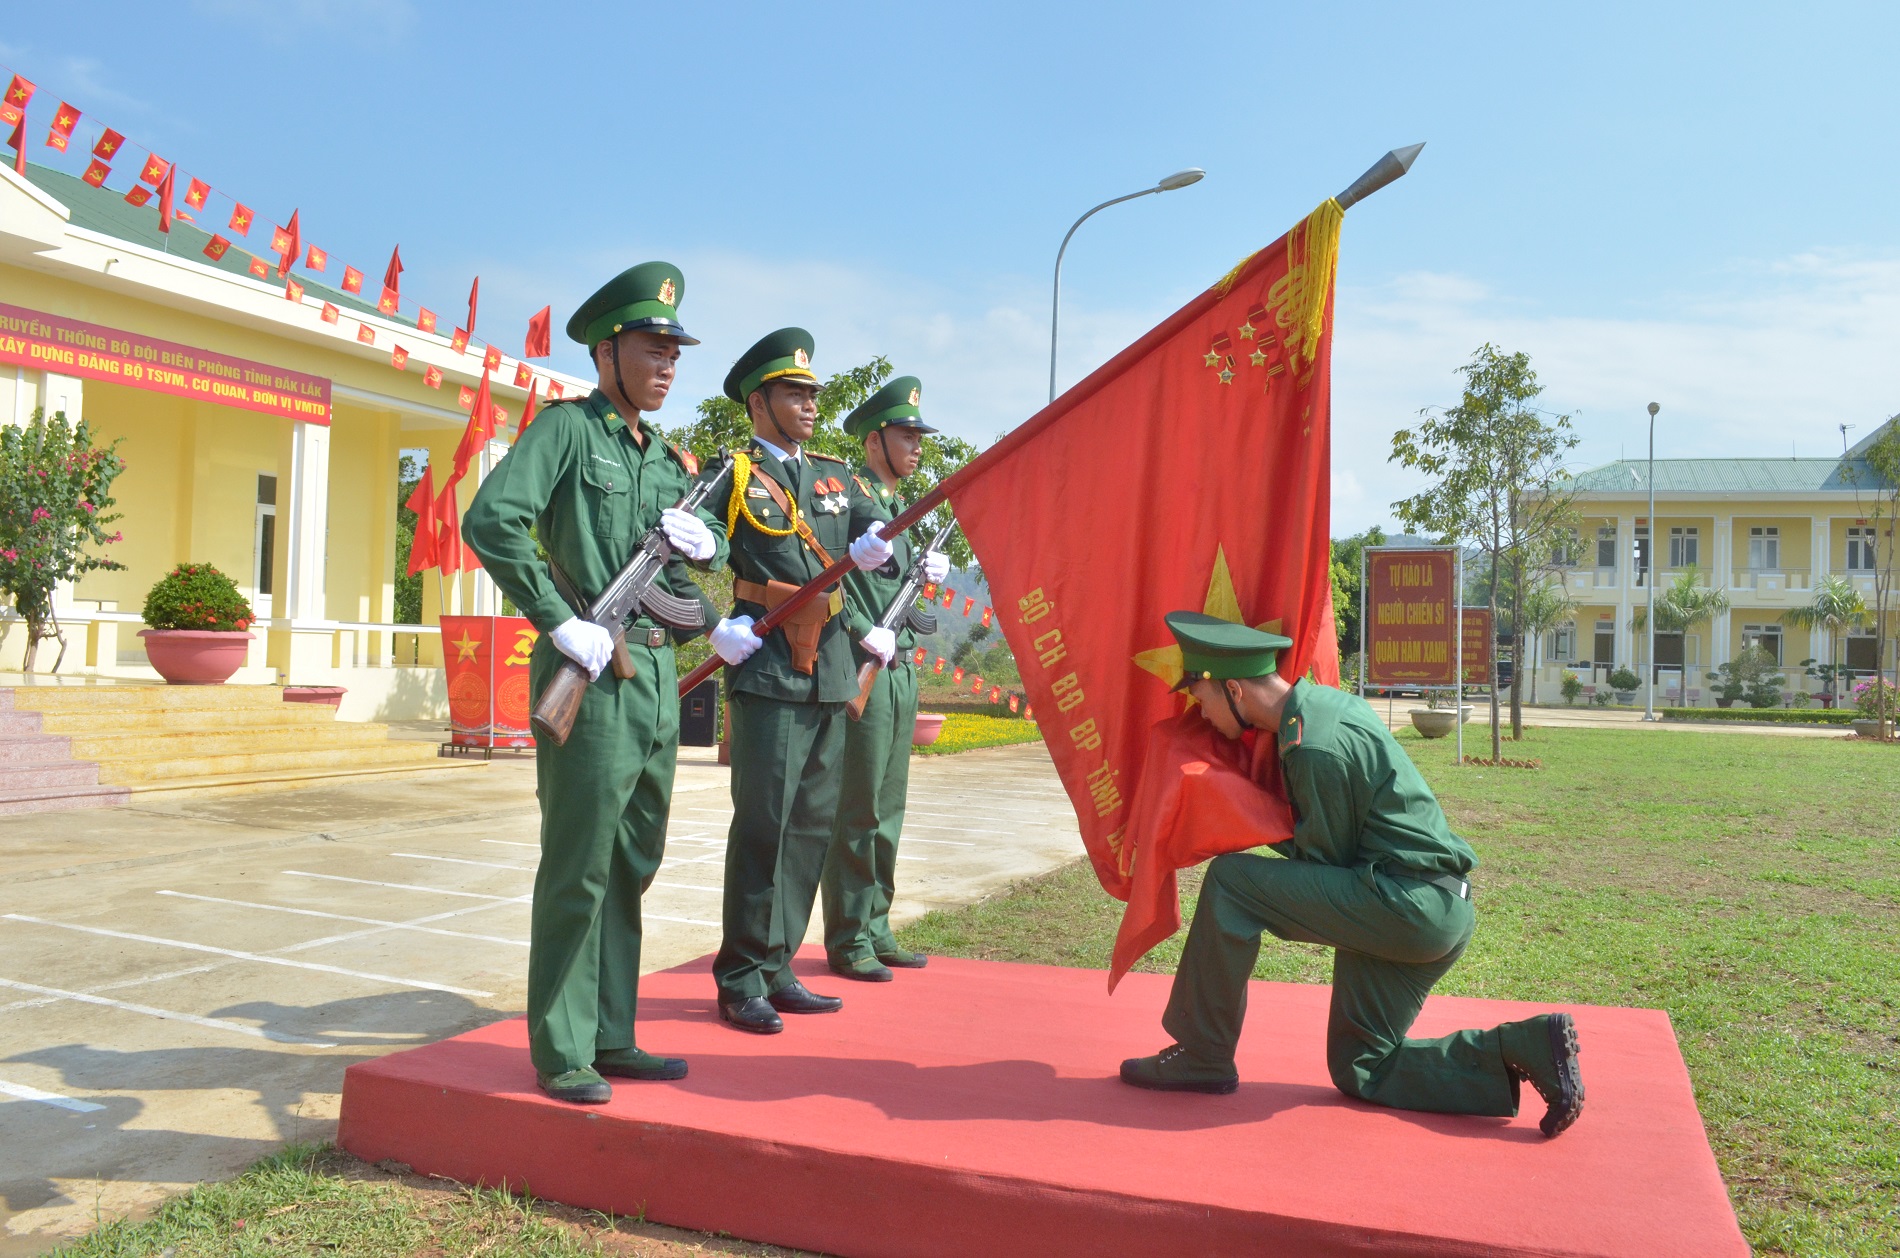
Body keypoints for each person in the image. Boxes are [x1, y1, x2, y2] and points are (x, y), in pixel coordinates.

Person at [1119, 612, 1585, 1138]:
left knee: (1231, 883)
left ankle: (1202, 1054)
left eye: (1200, 698)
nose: (1199, 713)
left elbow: (1325, 867)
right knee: (1361, 1066)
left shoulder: (1312, 748)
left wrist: (1243, 817)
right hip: (1431, 905)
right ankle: (1523, 1047)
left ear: (1233, 689)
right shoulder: (1326, 705)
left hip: (1404, 904)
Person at [463, 262, 724, 1104]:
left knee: (631, 862)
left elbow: (670, 579)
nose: (667, 364)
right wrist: (554, 616)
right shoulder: (568, 433)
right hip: (589, 662)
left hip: (653, 673)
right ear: (607, 351)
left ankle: (614, 1033)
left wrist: (707, 576)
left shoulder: (661, 455)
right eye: (653, 348)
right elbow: (492, 519)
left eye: (675, 351)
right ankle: (563, 1048)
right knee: (579, 863)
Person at [698, 328, 893, 1034]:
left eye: (812, 393)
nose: (810, 405)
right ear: (758, 402)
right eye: (794, 393)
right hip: (770, 664)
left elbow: (883, 535)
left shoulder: (838, 476)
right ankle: (740, 975)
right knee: (763, 824)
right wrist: (710, 620)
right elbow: (688, 548)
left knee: (810, 826)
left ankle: (779, 965)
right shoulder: (735, 474)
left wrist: (887, 551)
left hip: (831, 667)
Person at [821, 376, 952, 981]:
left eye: (920, 435)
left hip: (898, 670)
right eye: (907, 434)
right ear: (875, 442)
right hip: (865, 663)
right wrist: (856, 629)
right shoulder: (849, 498)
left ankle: (877, 924)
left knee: (890, 805)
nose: (918, 445)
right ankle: (849, 939)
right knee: (859, 807)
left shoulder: (900, 506)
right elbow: (829, 578)